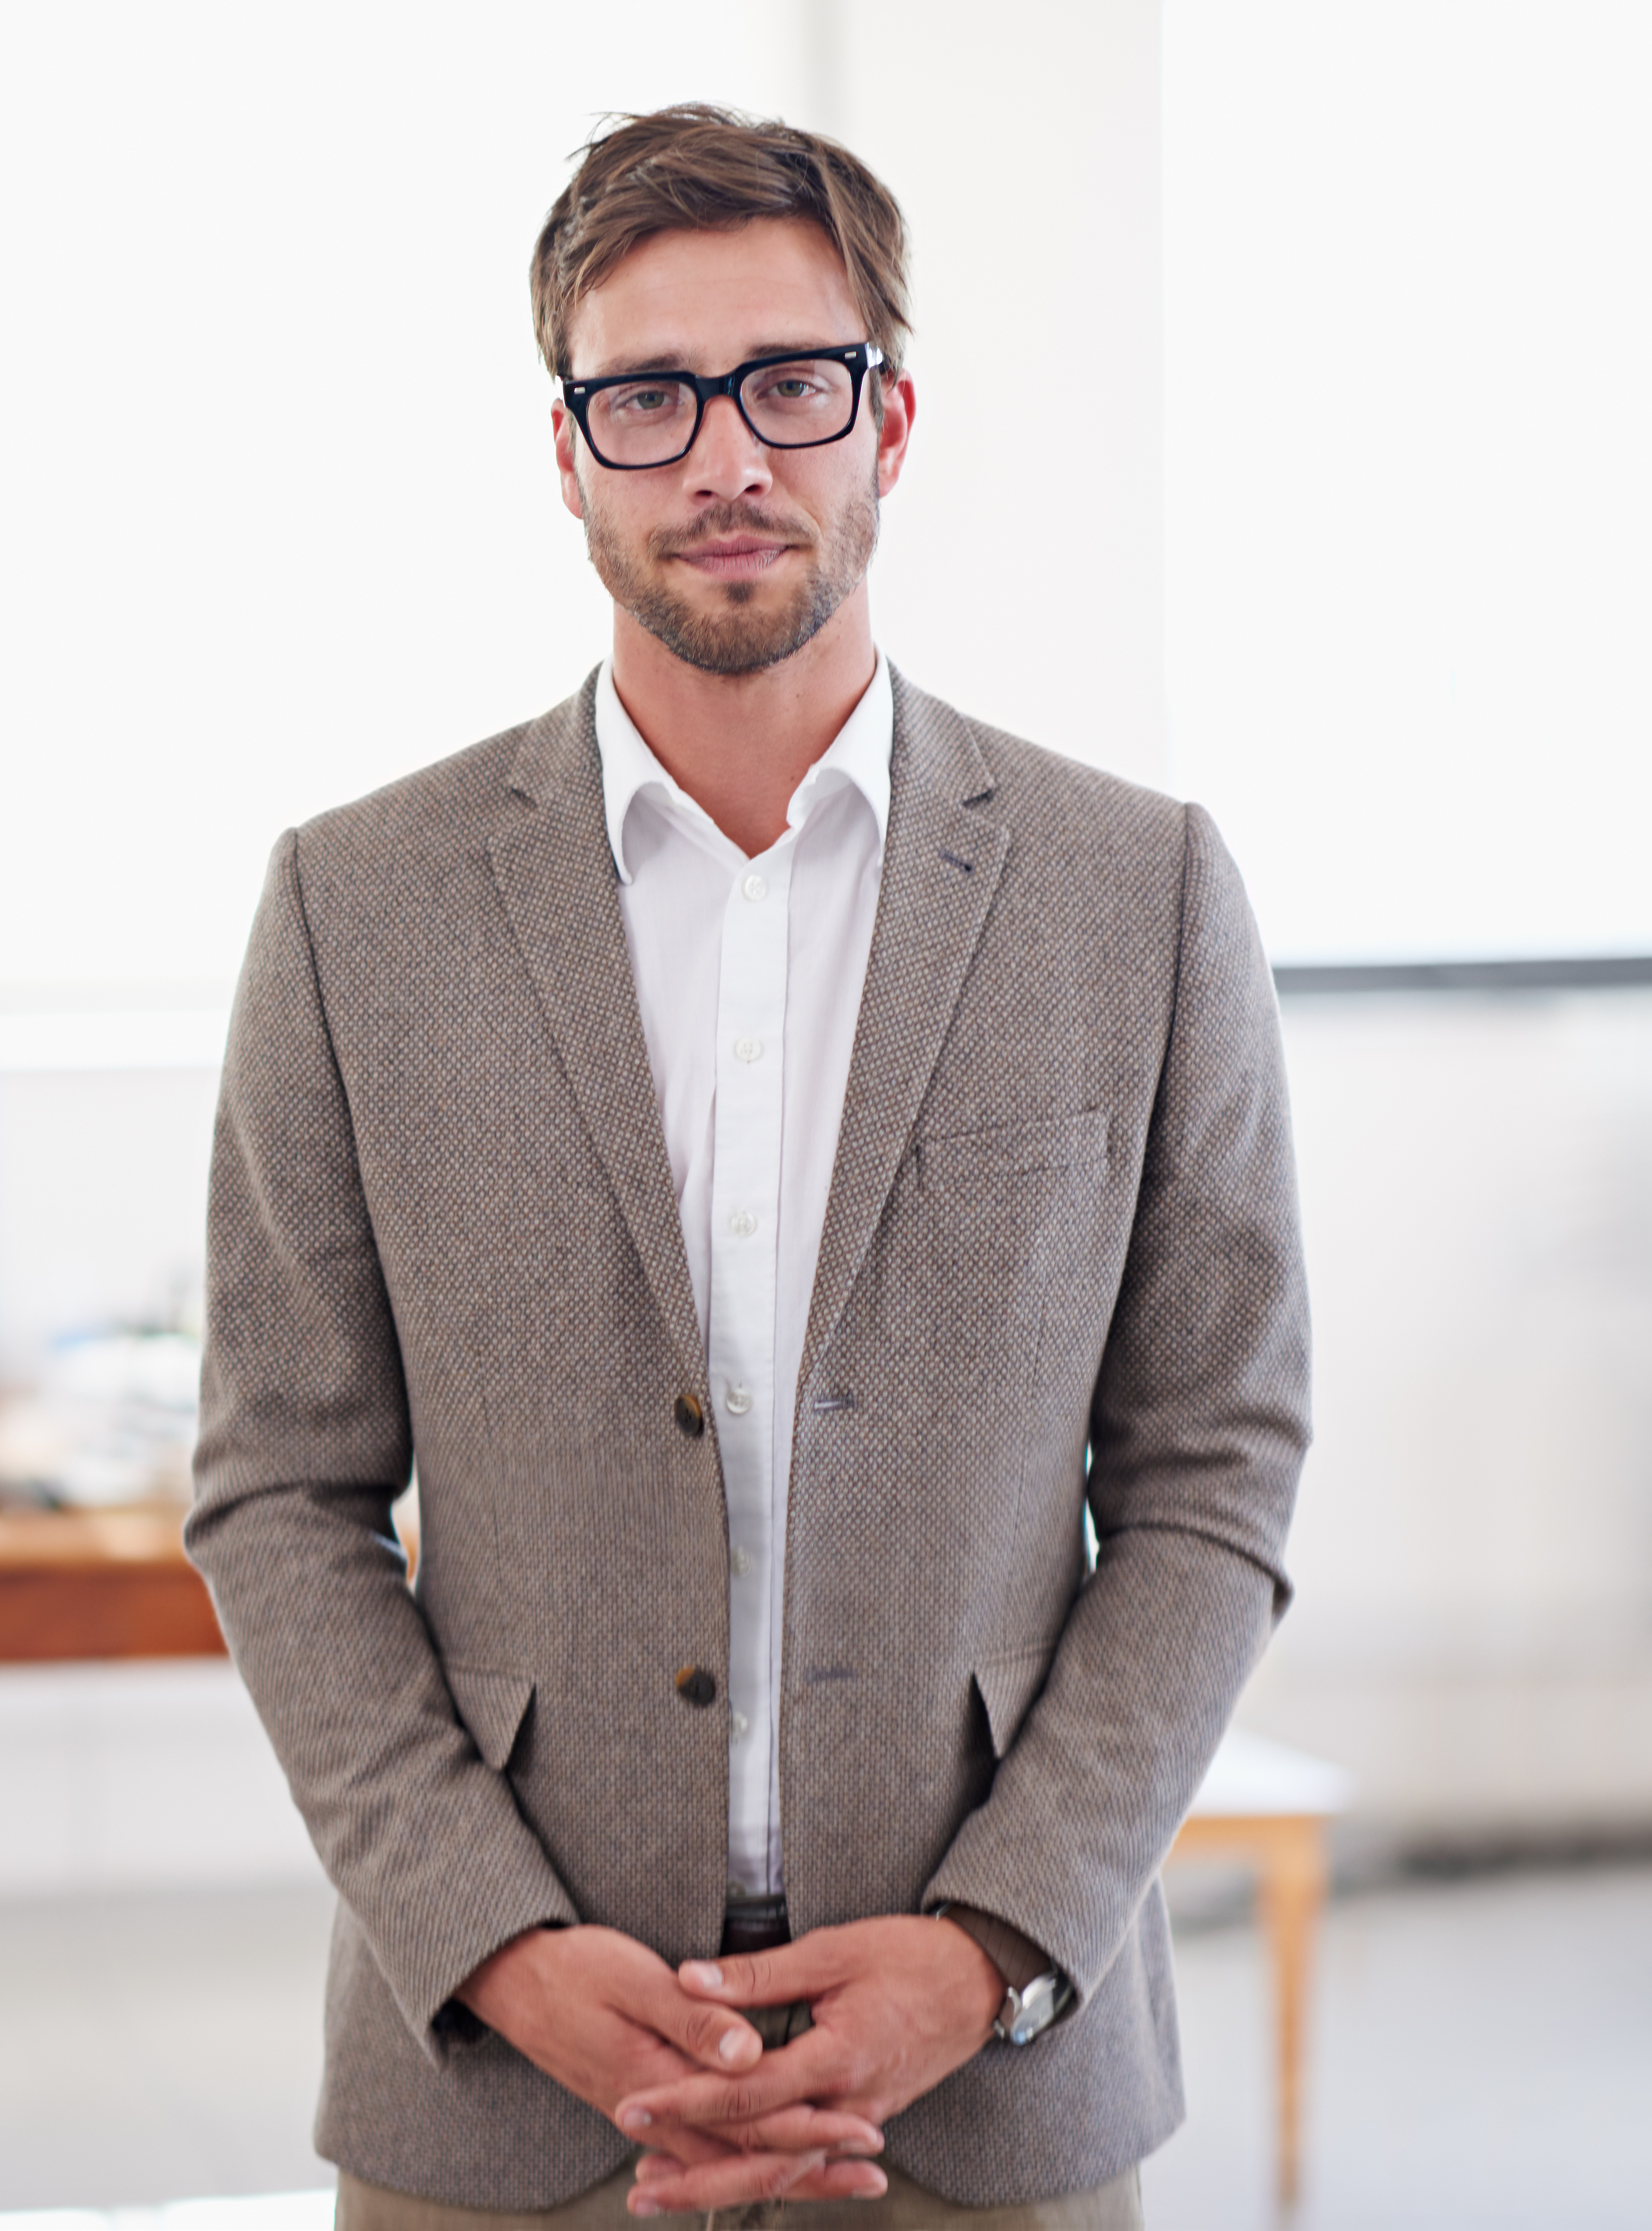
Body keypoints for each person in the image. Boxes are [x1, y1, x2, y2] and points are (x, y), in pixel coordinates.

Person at [187, 103, 1309, 2231]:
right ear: (565, 449)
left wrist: (992, 1945)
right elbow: (276, 1488)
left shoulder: (1134, 893)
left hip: (993, 2088)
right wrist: (501, 1946)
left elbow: (1214, 1471)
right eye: (646, 396)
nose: (724, 458)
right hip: (502, 2093)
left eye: (788, 383)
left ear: (888, 418)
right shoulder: (355, 909)